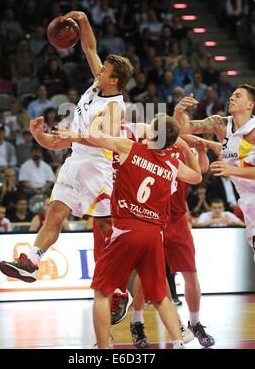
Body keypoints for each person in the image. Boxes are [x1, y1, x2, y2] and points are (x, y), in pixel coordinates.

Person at [0, 11, 134, 289]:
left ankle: (119, 288)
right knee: (55, 211)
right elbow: (89, 47)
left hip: (98, 167)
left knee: (107, 228)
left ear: (114, 80)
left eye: (104, 71)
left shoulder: (114, 107)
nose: (98, 71)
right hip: (76, 161)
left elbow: (98, 138)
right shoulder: (98, 86)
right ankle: (31, 262)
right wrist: (40, 137)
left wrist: (75, 135)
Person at [63, 114, 202, 349]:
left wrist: (85, 127)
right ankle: (179, 343)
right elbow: (197, 176)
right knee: (160, 297)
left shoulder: (130, 147)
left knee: (102, 292)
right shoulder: (171, 162)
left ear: (152, 134)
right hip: (154, 234)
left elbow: (94, 136)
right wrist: (187, 149)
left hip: (126, 228)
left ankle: (103, 348)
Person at [130, 134, 215, 349]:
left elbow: (201, 170)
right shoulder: (144, 149)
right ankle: (137, 322)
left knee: (190, 272)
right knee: (145, 273)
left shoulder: (182, 149)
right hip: (151, 217)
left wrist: (200, 151)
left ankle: (195, 323)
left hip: (177, 221)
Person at [173, 84, 255, 254]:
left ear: (250, 104)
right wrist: (178, 112)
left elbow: (234, 162)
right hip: (248, 202)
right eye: (232, 94)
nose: (232, 98)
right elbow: (183, 130)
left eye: (238, 96)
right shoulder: (221, 124)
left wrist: (231, 170)